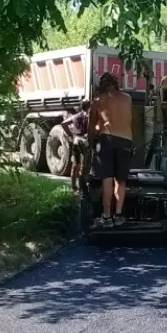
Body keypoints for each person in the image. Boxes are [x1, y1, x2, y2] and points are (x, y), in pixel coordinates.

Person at [88, 73, 132, 228]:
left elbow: (91, 126)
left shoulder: (98, 101)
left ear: (102, 85)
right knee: (121, 179)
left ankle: (106, 218)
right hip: (126, 140)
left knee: (107, 178)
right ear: (116, 84)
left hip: (106, 139)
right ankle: (118, 215)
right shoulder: (127, 98)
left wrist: (90, 142)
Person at [61, 100, 90, 192]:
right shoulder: (88, 116)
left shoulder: (75, 116)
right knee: (84, 166)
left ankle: (73, 187)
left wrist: (70, 134)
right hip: (84, 142)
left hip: (76, 141)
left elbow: (64, 124)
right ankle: (82, 187)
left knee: (75, 165)